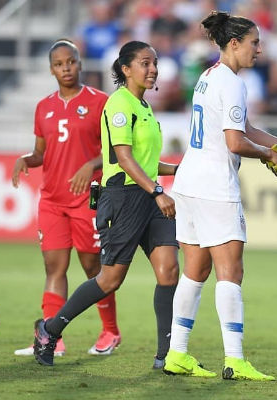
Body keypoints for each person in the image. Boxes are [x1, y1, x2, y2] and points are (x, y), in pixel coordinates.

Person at [163, 11, 277, 381]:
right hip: (214, 187)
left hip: (189, 183)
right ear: (234, 44)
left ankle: (177, 353)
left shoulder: (209, 76)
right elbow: (235, 141)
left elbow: (246, 127)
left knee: (195, 271)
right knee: (231, 272)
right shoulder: (235, 83)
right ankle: (235, 359)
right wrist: (270, 155)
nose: (259, 49)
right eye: (254, 42)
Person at [32, 40, 180, 370]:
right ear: (126, 69)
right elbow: (125, 159)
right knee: (110, 280)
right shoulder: (118, 104)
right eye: (145, 63)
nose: (153, 68)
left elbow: (149, 162)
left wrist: (180, 171)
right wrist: (158, 190)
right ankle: (50, 330)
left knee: (169, 270)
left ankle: (167, 356)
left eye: (154, 63)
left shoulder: (144, 107)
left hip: (148, 195)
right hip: (124, 197)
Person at [11, 39, 120, 358]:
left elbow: (116, 151)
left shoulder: (101, 102)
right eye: (59, 64)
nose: (66, 68)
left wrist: (92, 164)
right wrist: (26, 159)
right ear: (51, 70)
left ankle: (110, 331)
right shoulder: (43, 106)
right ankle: (51, 338)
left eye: (70, 62)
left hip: (88, 199)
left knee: (93, 270)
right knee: (54, 268)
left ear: (80, 63)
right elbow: (41, 153)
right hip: (53, 201)